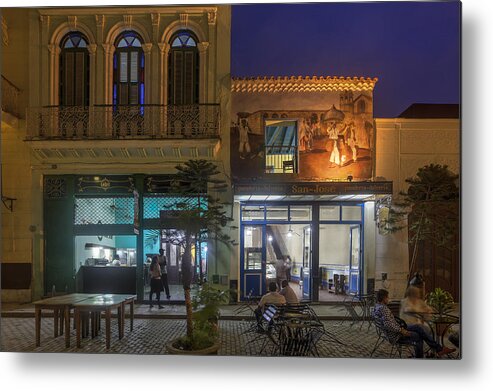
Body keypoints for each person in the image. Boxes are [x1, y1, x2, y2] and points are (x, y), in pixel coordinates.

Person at [373, 289, 455, 358]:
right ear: (384, 298)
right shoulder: (384, 309)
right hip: (396, 335)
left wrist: (400, 327)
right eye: (387, 297)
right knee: (419, 335)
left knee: (418, 327)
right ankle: (424, 356)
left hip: (396, 329)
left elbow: (388, 323)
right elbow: (388, 325)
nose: (388, 299)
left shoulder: (377, 307)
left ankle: (438, 349)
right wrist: (402, 331)